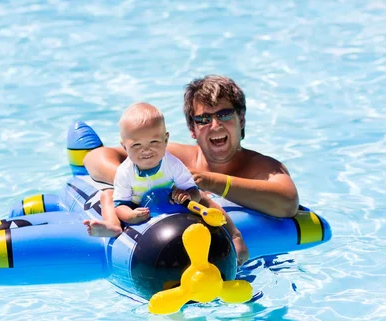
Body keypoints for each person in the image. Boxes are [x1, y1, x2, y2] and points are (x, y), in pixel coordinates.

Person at [84, 75, 300, 264]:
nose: (215, 125)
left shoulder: (261, 167)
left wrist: (209, 181)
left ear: (241, 119)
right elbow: (94, 158)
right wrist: (139, 183)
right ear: (192, 129)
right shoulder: (178, 157)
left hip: (253, 264)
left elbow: (288, 204)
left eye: (224, 114)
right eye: (203, 119)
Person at [83, 102, 201, 237]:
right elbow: (120, 205)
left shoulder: (173, 164)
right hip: (136, 205)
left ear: (166, 140)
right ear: (124, 147)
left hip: (167, 202)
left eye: (154, 142)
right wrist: (130, 216)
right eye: (137, 145)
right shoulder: (125, 172)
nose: (146, 149)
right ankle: (112, 225)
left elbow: (194, 192)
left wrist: (188, 195)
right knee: (107, 195)